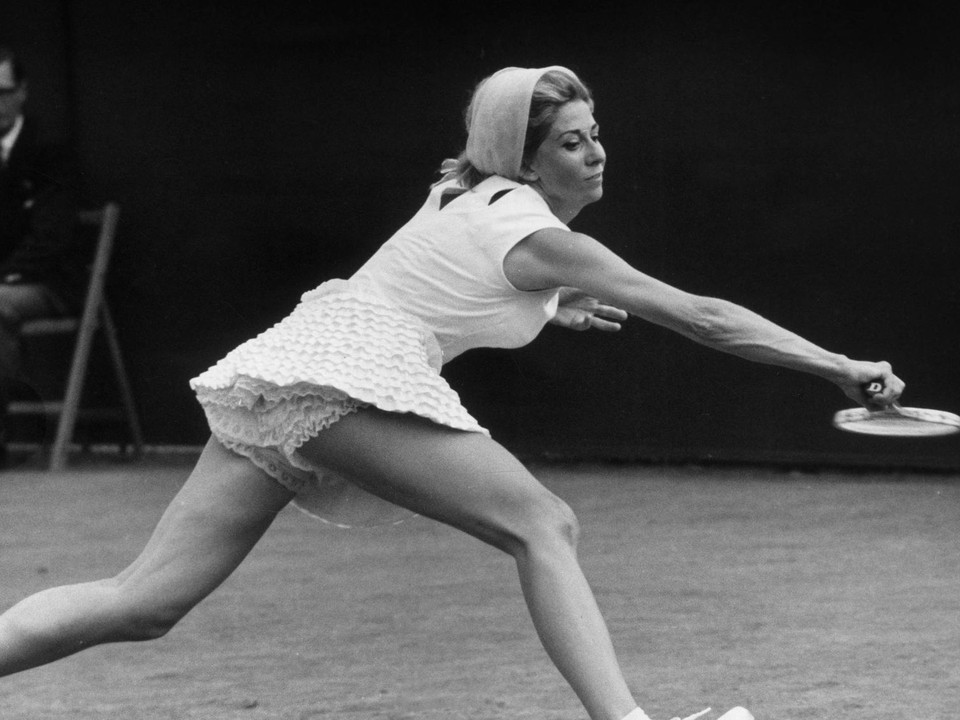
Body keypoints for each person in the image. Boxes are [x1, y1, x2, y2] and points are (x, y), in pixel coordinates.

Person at [0, 65, 903, 720]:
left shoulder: (461, 195)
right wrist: (836, 365)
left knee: (144, 603)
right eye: (570, 141)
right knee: (541, 523)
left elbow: (435, 281)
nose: (595, 154)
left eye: (595, 133)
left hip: (284, 370)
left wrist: (551, 309)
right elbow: (702, 316)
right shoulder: (534, 232)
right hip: (338, 377)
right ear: (525, 154)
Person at [0, 46, 82, 463]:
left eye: (2, 90)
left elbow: (52, 236)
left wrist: (8, 275)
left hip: (45, 283)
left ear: (23, 92)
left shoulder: (48, 148)